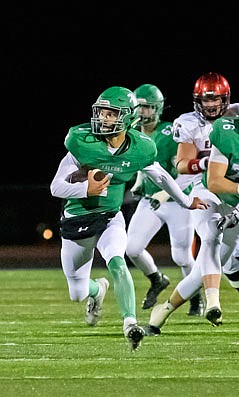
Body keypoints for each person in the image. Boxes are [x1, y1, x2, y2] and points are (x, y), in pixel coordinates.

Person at [50, 86, 207, 351]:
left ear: (128, 117)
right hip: (77, 217)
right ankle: (97, 291)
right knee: (77, 292)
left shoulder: (140, 148)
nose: (104, 119)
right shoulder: (81, 141)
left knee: (118, 261)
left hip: (110, 217)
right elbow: (56, 187)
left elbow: (160, 176)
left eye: (111, 114)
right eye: (101, 112)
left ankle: (130, 323)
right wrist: (84, 189)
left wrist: (185, 200)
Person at [146, 90, 239, 334]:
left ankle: (162, 311)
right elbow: (215, 181)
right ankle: (213, 301)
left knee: (210, 267)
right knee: (210, 238)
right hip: (209, 193)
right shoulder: (227, 132)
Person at [169, 73, 239, 326]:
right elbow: (181, 165)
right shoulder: (188, 123)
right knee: (219, 253)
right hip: (204, 188)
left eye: (216, 98)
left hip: (236, 186)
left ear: (226, 99)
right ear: (198, 101)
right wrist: (205, 163)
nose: (211, 104)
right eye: (206, 99)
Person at [125, 83, 198, 314]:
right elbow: (142, 162)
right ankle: (157, 279)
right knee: (132, 248)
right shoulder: (133, 133)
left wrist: (166, 191)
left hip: (177, 202)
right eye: (138, 107)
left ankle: (195, 297)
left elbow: (181, 168)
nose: (141, 112)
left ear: (158, 108)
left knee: (182, 257)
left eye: (146, 107)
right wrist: (139, 184)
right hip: (150, 200)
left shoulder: (171, 132)